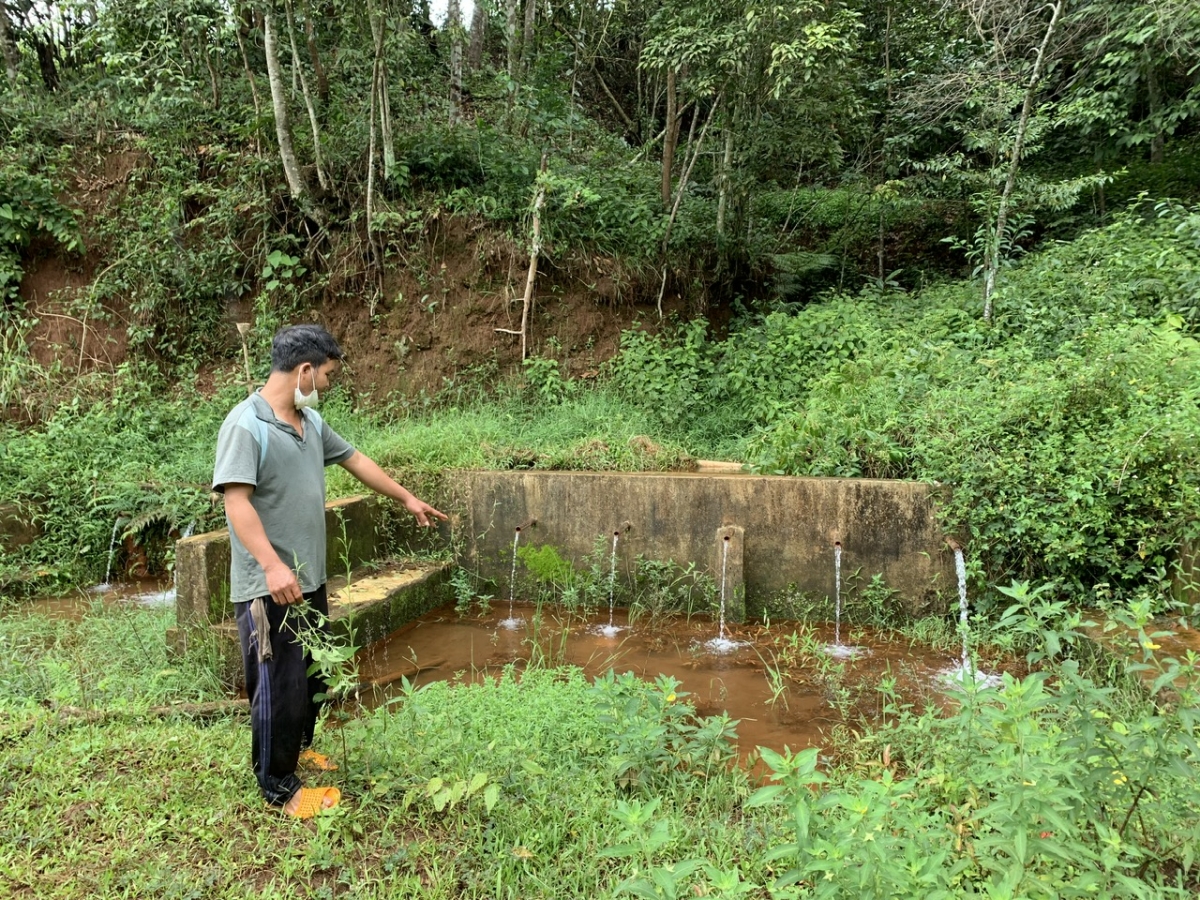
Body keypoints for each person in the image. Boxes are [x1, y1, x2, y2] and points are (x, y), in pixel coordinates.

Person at [213, 324, 447, 818]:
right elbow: (237, 504)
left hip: (309, 580)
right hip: (269, 584)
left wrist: (406, 497)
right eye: (326, 375)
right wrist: (273, 567)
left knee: (309, 678)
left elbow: (355, 459)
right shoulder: (244, 425)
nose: (327, 384)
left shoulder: (310, 424)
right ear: (303, 370)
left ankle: (297, 752)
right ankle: (278, 786)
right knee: (277, 683)